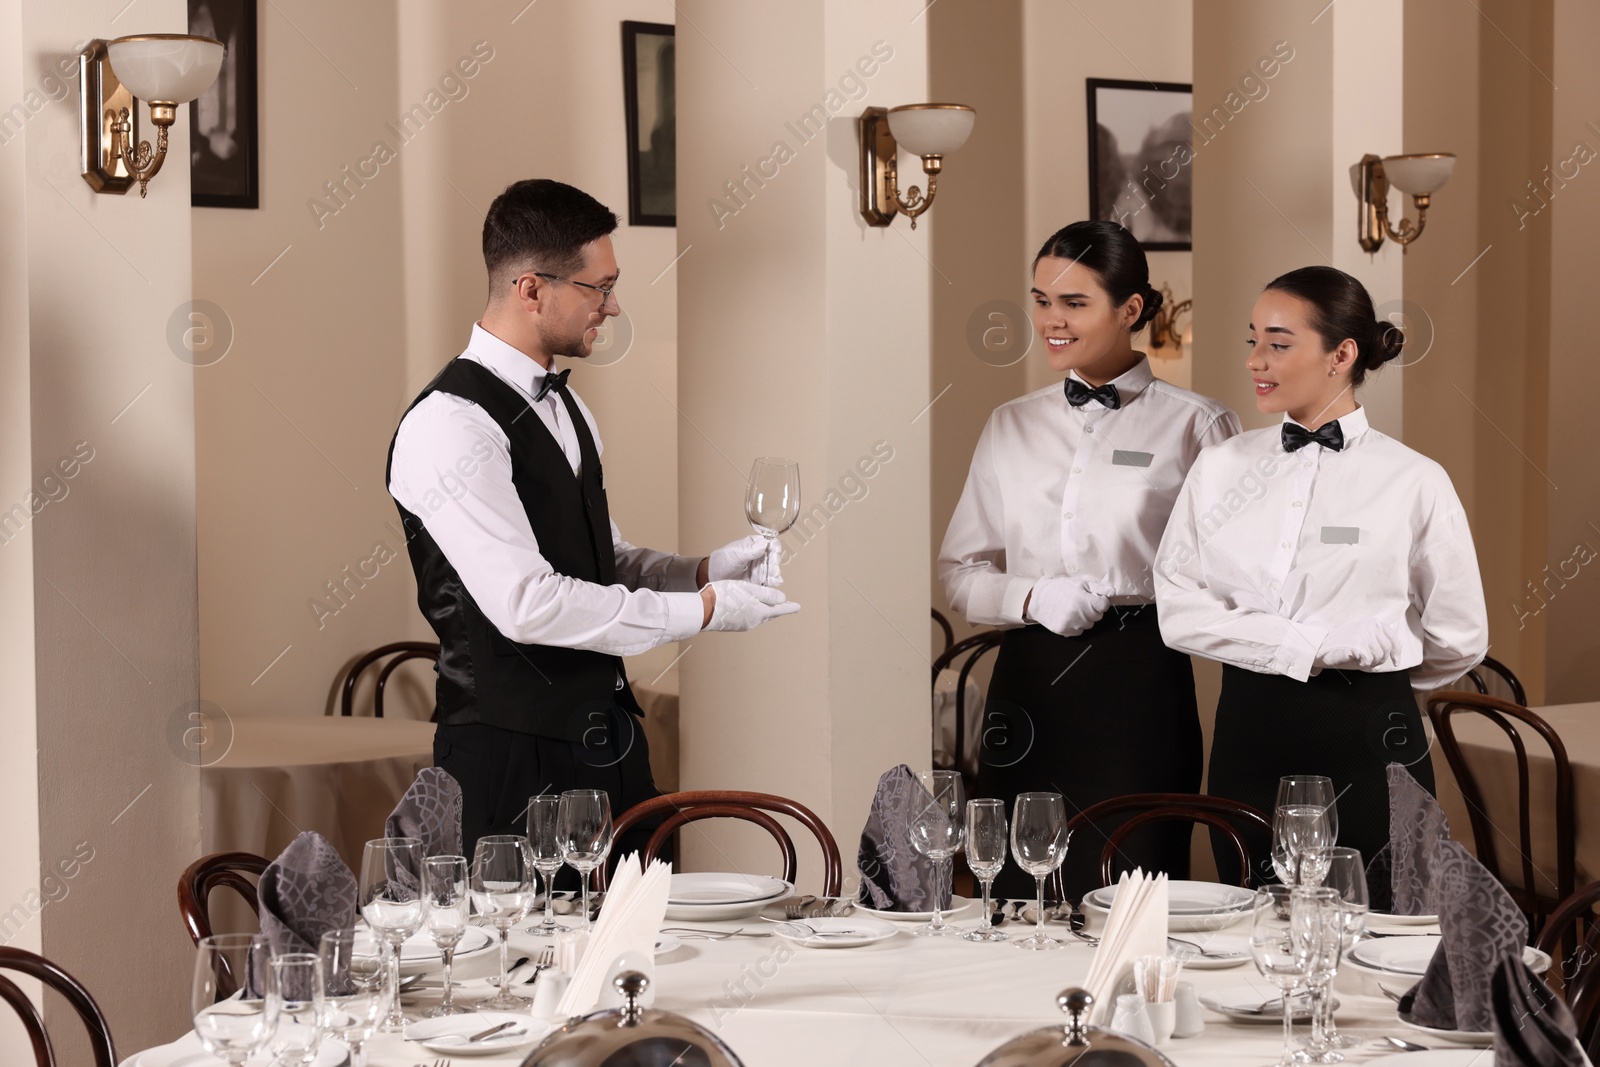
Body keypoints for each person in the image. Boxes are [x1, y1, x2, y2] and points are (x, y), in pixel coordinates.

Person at [387, 179, 800, 870]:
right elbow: (527, 603)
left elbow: (600, 558)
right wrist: (701, 610)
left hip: (608, 746)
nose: (612, 306)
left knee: (641, 959)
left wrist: (701, 569)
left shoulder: (567, 408)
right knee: (524, 972)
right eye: (597, 287)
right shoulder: (449, 425)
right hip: (510, 758)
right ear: (530, 288)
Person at [939, 221, 1241, 901]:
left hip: (1140, 680)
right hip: (1027, 683)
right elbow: (960, 570)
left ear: (1130, 309)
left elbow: (1230, 576)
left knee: (1132, 888)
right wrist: (1029, 596)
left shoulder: (1200, 425)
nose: (1051, 319)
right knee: (1017, 886)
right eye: (1042, 300)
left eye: (1074, 302)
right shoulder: (1009, 424)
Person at [1154, 265, 1488, 879]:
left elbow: (1461, 634)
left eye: (1279, 344)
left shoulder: (1414, 479)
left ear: (1342, 354)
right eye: (1252, 339)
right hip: (1249, 732)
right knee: (1253, 921)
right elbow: (1178, 612)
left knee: (1381, 929)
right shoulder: (1220, 468)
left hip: (1372, 736)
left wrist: (1381, 683)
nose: (1256, 359)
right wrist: (1317, 646)